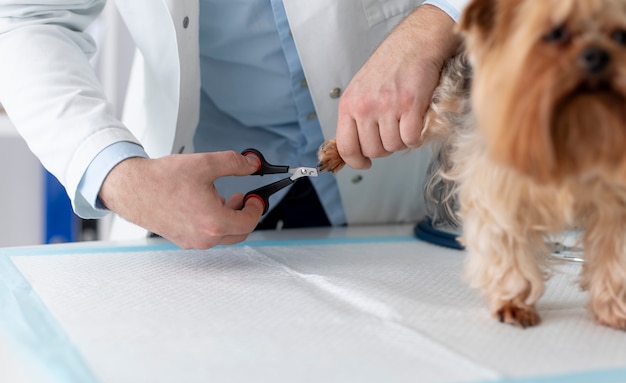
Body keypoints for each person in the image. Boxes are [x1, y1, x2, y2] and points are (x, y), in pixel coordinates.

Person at [0, 0, 467, 249]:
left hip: (407, 189)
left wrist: (436, 23)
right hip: (192, 209)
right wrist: (117, 175)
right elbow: (27, 17)